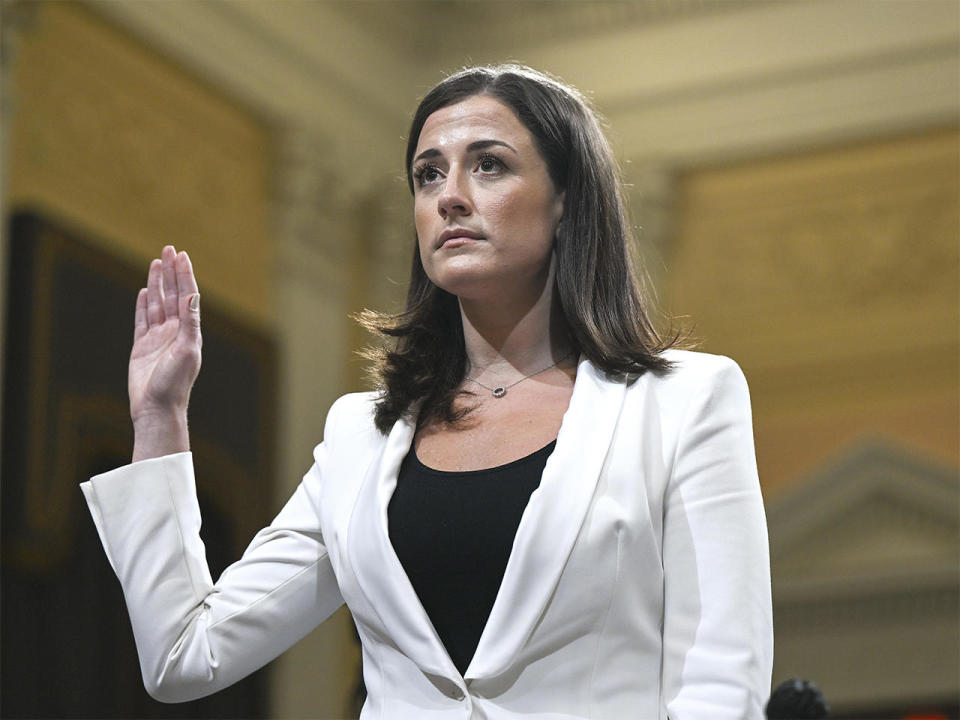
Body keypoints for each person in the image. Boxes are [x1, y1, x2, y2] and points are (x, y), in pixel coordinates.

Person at [81, 64, 773, 719]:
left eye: (489, 164)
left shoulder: (683, 404)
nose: (449, 196)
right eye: (427, 173)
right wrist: (160, 415)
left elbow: (720, 683)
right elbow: (183, 655)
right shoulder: (361, 435)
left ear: (566, 200)